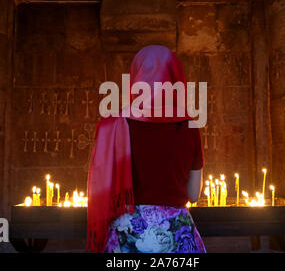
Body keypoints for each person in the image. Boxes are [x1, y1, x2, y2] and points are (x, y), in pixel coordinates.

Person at [86, 45, 206, 253]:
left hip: (127, 238)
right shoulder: (190, 126)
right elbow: (194, 195)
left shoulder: (113, 125)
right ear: (177, 80)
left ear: (136, 78)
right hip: (177, 239)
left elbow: (102, 191)